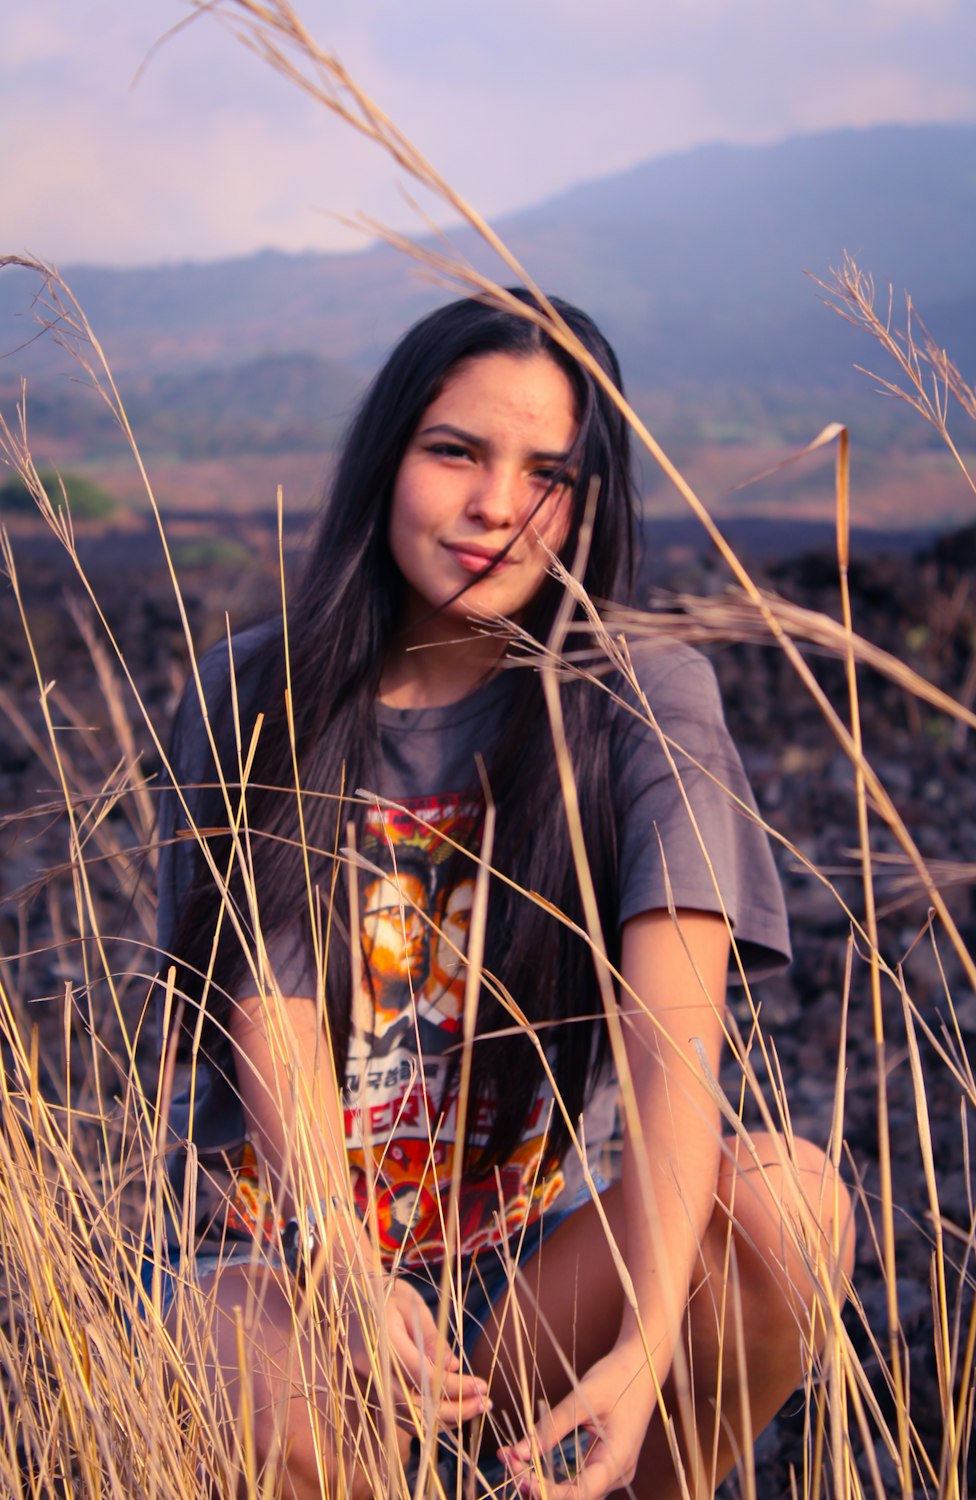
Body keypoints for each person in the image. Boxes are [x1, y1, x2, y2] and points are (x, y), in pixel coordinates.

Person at [154, 288, 854, 1500]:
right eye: (455, 452)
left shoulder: (644, 697)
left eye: (547, 472)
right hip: (278, 1260)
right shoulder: (254, 690)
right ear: (386, 459)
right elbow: (270, 1013)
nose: (495, 506)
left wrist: (642, 1349)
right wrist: (344, 1273)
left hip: (515, 1279)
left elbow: (670, 1046)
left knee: (789, 1210)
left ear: (588, 506)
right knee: (300, 1417)